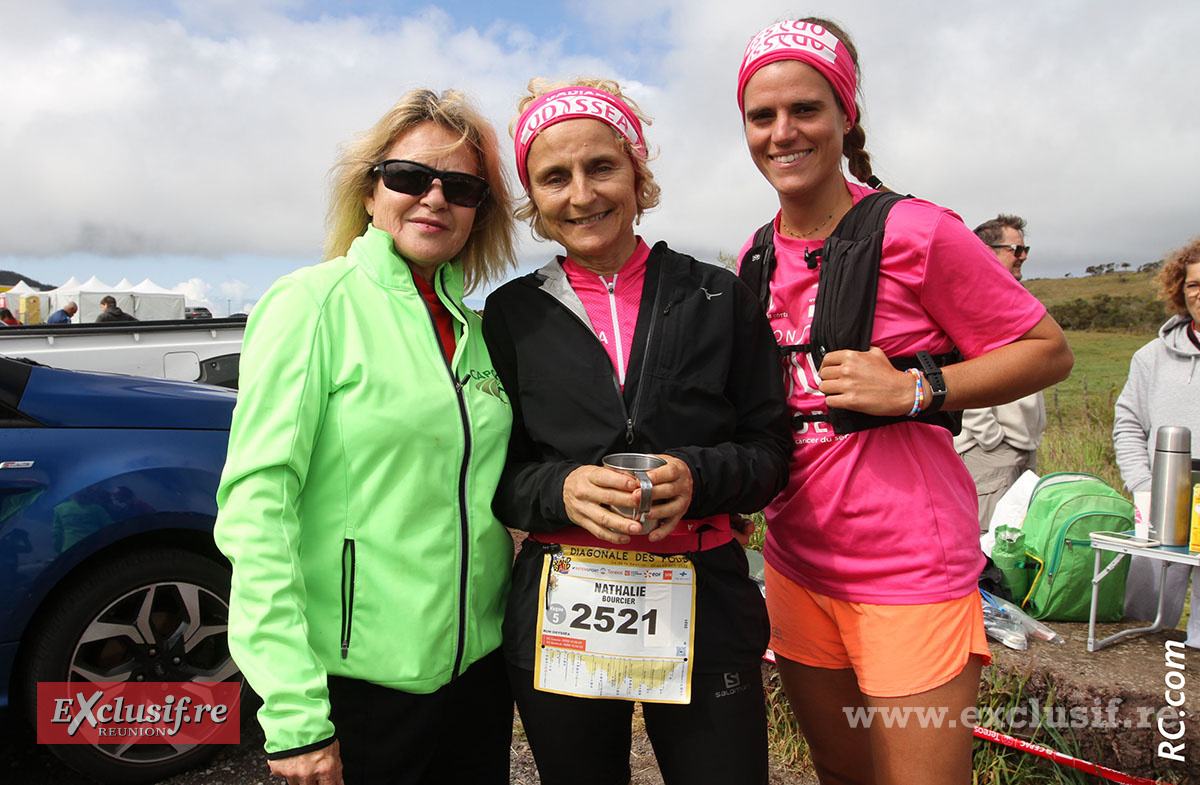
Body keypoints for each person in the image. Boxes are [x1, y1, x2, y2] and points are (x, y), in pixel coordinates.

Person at [735, 19, 1073, 785]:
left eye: (806, 109)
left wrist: (916, 387)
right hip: (796, 566)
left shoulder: (918, 231)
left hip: (909, 578)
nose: (783, 132)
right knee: (840, 773)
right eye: (763, 116)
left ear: (845, 114)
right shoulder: (757, 251)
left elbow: (1047, 349)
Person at [483, 78, 791, 785]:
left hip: (706, 597)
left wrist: (701, 477)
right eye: (554, 177)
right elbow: (494, 473)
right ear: (534, 197)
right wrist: (559, 488)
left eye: (602, 166)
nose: (582, 194)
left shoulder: (717, 296)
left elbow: (772, 452)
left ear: (638, 173)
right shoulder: (509, 315)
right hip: (565, 599)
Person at [214, 88, 518, 785]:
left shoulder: (478, 332)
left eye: (462, 186)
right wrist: (293, 712)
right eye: (410, 177)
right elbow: (258, 513)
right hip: (359, 687)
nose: (434, 199)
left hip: (476, 680)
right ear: (371, 190)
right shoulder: (311, 305)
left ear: (480, 212)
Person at [1114, 235, 1200, 648]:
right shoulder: (1151, 357)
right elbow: (1128, 424)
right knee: (1143, 624)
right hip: (1160, 507)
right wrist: (1144, 488)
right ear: (1180, 292)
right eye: (1194, 284)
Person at [954, 214, 1047, 531]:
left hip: (1022, 447)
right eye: (1015, 250)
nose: (1022, 257)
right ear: (986, 250)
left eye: (1025, 250)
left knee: (1017, 542)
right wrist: (991, 440)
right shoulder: (971, 301)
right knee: (988, 544)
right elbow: (964, 372)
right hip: (990, 450)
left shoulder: (1015, 300)